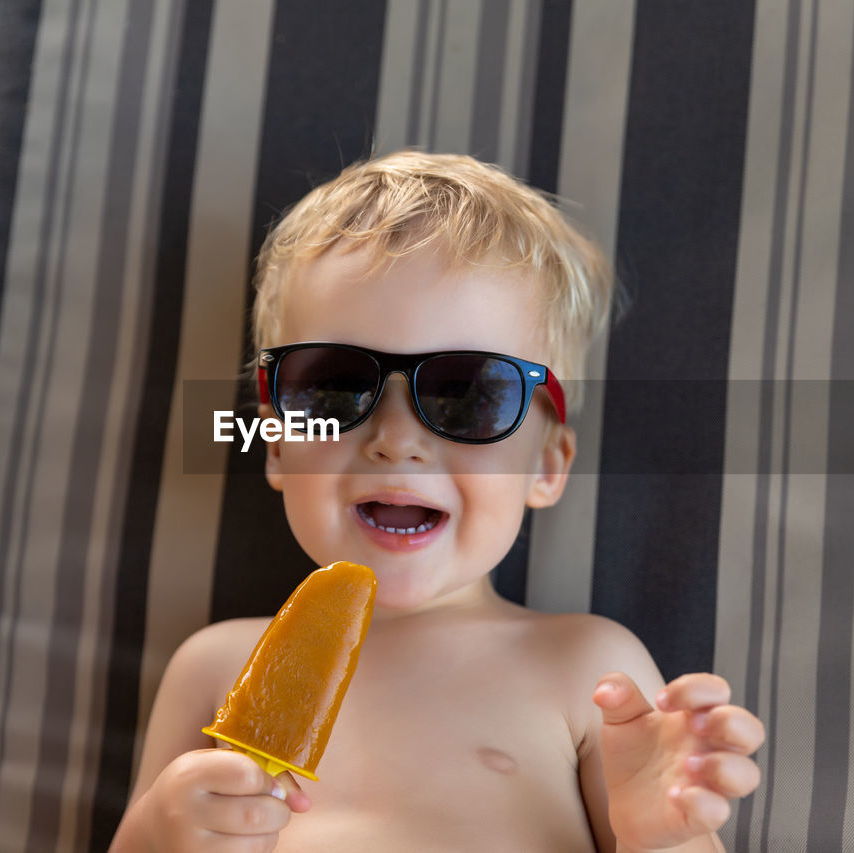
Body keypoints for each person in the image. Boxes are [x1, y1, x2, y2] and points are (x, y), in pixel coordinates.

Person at [110, 150, 765, 852]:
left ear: (546, 465)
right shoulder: (215, 664)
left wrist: (659, 836)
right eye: (333, 387)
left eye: (468, 393)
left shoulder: (587, 668)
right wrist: (158, 834)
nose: (396, 439)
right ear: (275, 443)